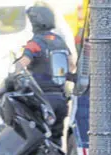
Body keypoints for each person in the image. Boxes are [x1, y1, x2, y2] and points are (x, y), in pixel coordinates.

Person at [14, 6, 76, 146]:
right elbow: (71, 65)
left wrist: (15, 73)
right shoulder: (60, 41)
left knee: (39, 138)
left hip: (42, 99)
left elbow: (22, 64)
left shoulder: (35, 43)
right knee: (56, 138)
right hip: (60, 99)